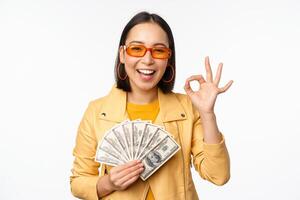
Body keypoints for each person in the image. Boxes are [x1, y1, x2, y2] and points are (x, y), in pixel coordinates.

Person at [70, 11, 233, 200]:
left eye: (159, 50)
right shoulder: (96, 112)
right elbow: (78, 182)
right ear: (122, 54)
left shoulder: (187, 108)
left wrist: (207, 114)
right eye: (137, 49)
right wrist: (109, 183)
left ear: (168, 59)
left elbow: (218, 175)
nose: (148, 60)